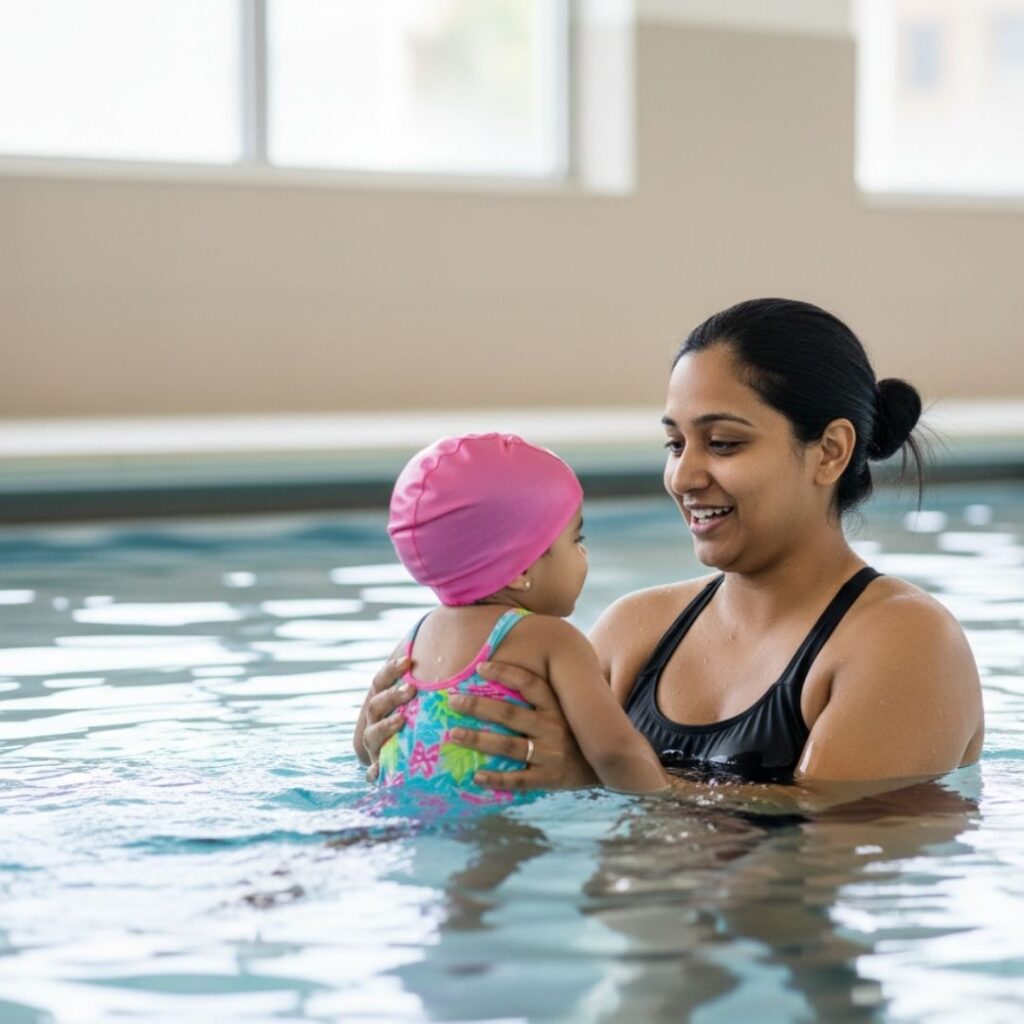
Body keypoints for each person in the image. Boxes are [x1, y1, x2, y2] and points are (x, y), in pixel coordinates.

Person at [356, 299, 984, 811]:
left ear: (829, 452)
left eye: (723, 443)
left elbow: (826, 848)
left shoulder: (904, 640)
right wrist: (386, 743)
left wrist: (598, 779)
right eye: (674, 443)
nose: (684, 476)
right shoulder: (637, 630)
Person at [360, 432, 668, 811]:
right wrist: (666, 808)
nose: (584, 551)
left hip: (398, 816)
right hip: (495, 825)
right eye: (576, 538)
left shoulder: (415, 638)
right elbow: (616, 754)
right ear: (521, 569)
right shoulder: (553, 640)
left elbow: (364, 746)